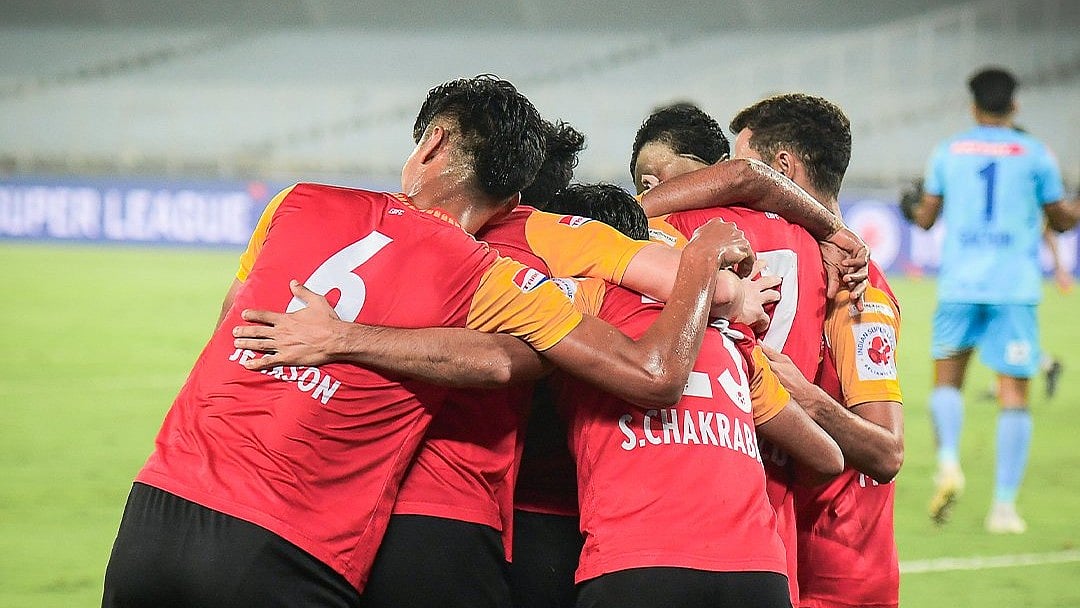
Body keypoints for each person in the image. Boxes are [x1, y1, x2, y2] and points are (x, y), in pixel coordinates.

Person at [101, 75, 750, 608]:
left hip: (157, 510)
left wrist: (342, 340)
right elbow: (584, 367)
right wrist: (703, 255)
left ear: (434, 141)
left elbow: (228, 326)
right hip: (296, 544)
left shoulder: (296, 203)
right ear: (515, 197)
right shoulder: (485, 274)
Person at [638, 95, 906, 608]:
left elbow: (886, 452)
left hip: (838, 567)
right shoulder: (797, 258)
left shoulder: (857, 289)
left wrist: (804, 395)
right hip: (778, 544)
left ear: (783, 168)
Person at [543, 183, 842, 608]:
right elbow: (828, 456)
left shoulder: (585, 306)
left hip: (639, 565)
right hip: (758, 575)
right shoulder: (729, 338)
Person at [909, 66, 1076, 533]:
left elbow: (924, 217)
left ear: (973, 106)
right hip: (1013, 290)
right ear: (1015, 105)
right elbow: (1061, 220)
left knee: (946, 383)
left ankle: (947, 461)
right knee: (1013, 397)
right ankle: (1003, 508)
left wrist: (910, 206)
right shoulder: (1036, 153)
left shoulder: (949, 151)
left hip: (959, 285)